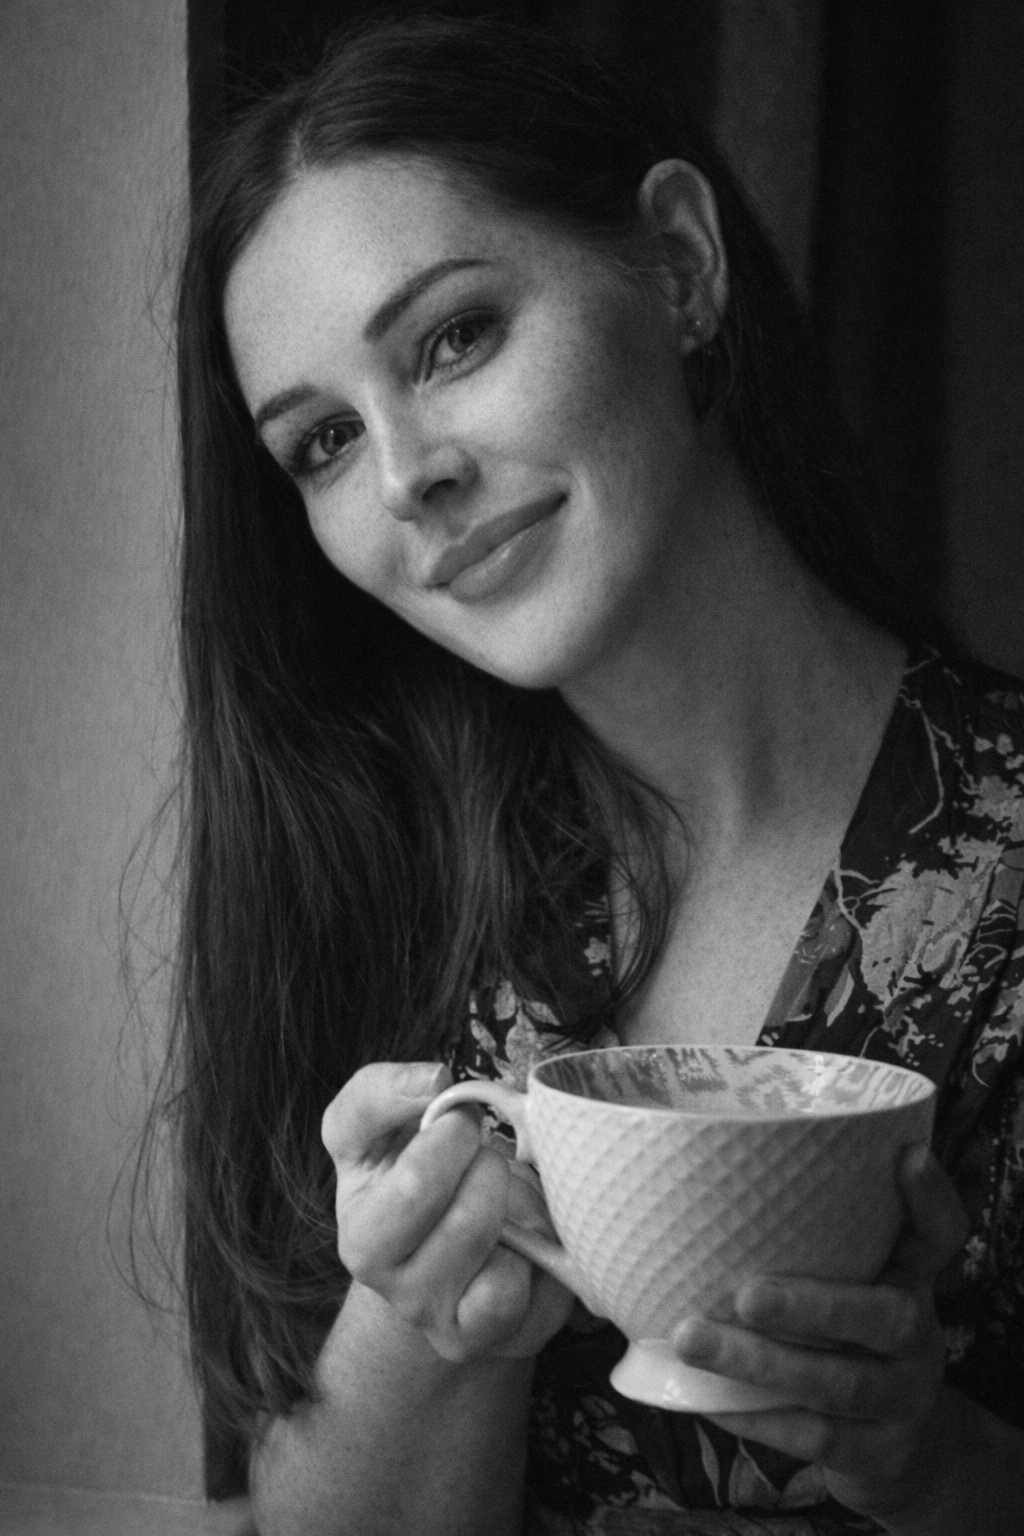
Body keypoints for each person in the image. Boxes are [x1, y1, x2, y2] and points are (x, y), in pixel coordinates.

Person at [157, 11, 1024, 1533]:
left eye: (453, 338)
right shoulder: (384, 873)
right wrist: (435, 1330)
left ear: (680, 267)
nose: (408, 468)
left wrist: (934, 1464)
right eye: (319, 445)